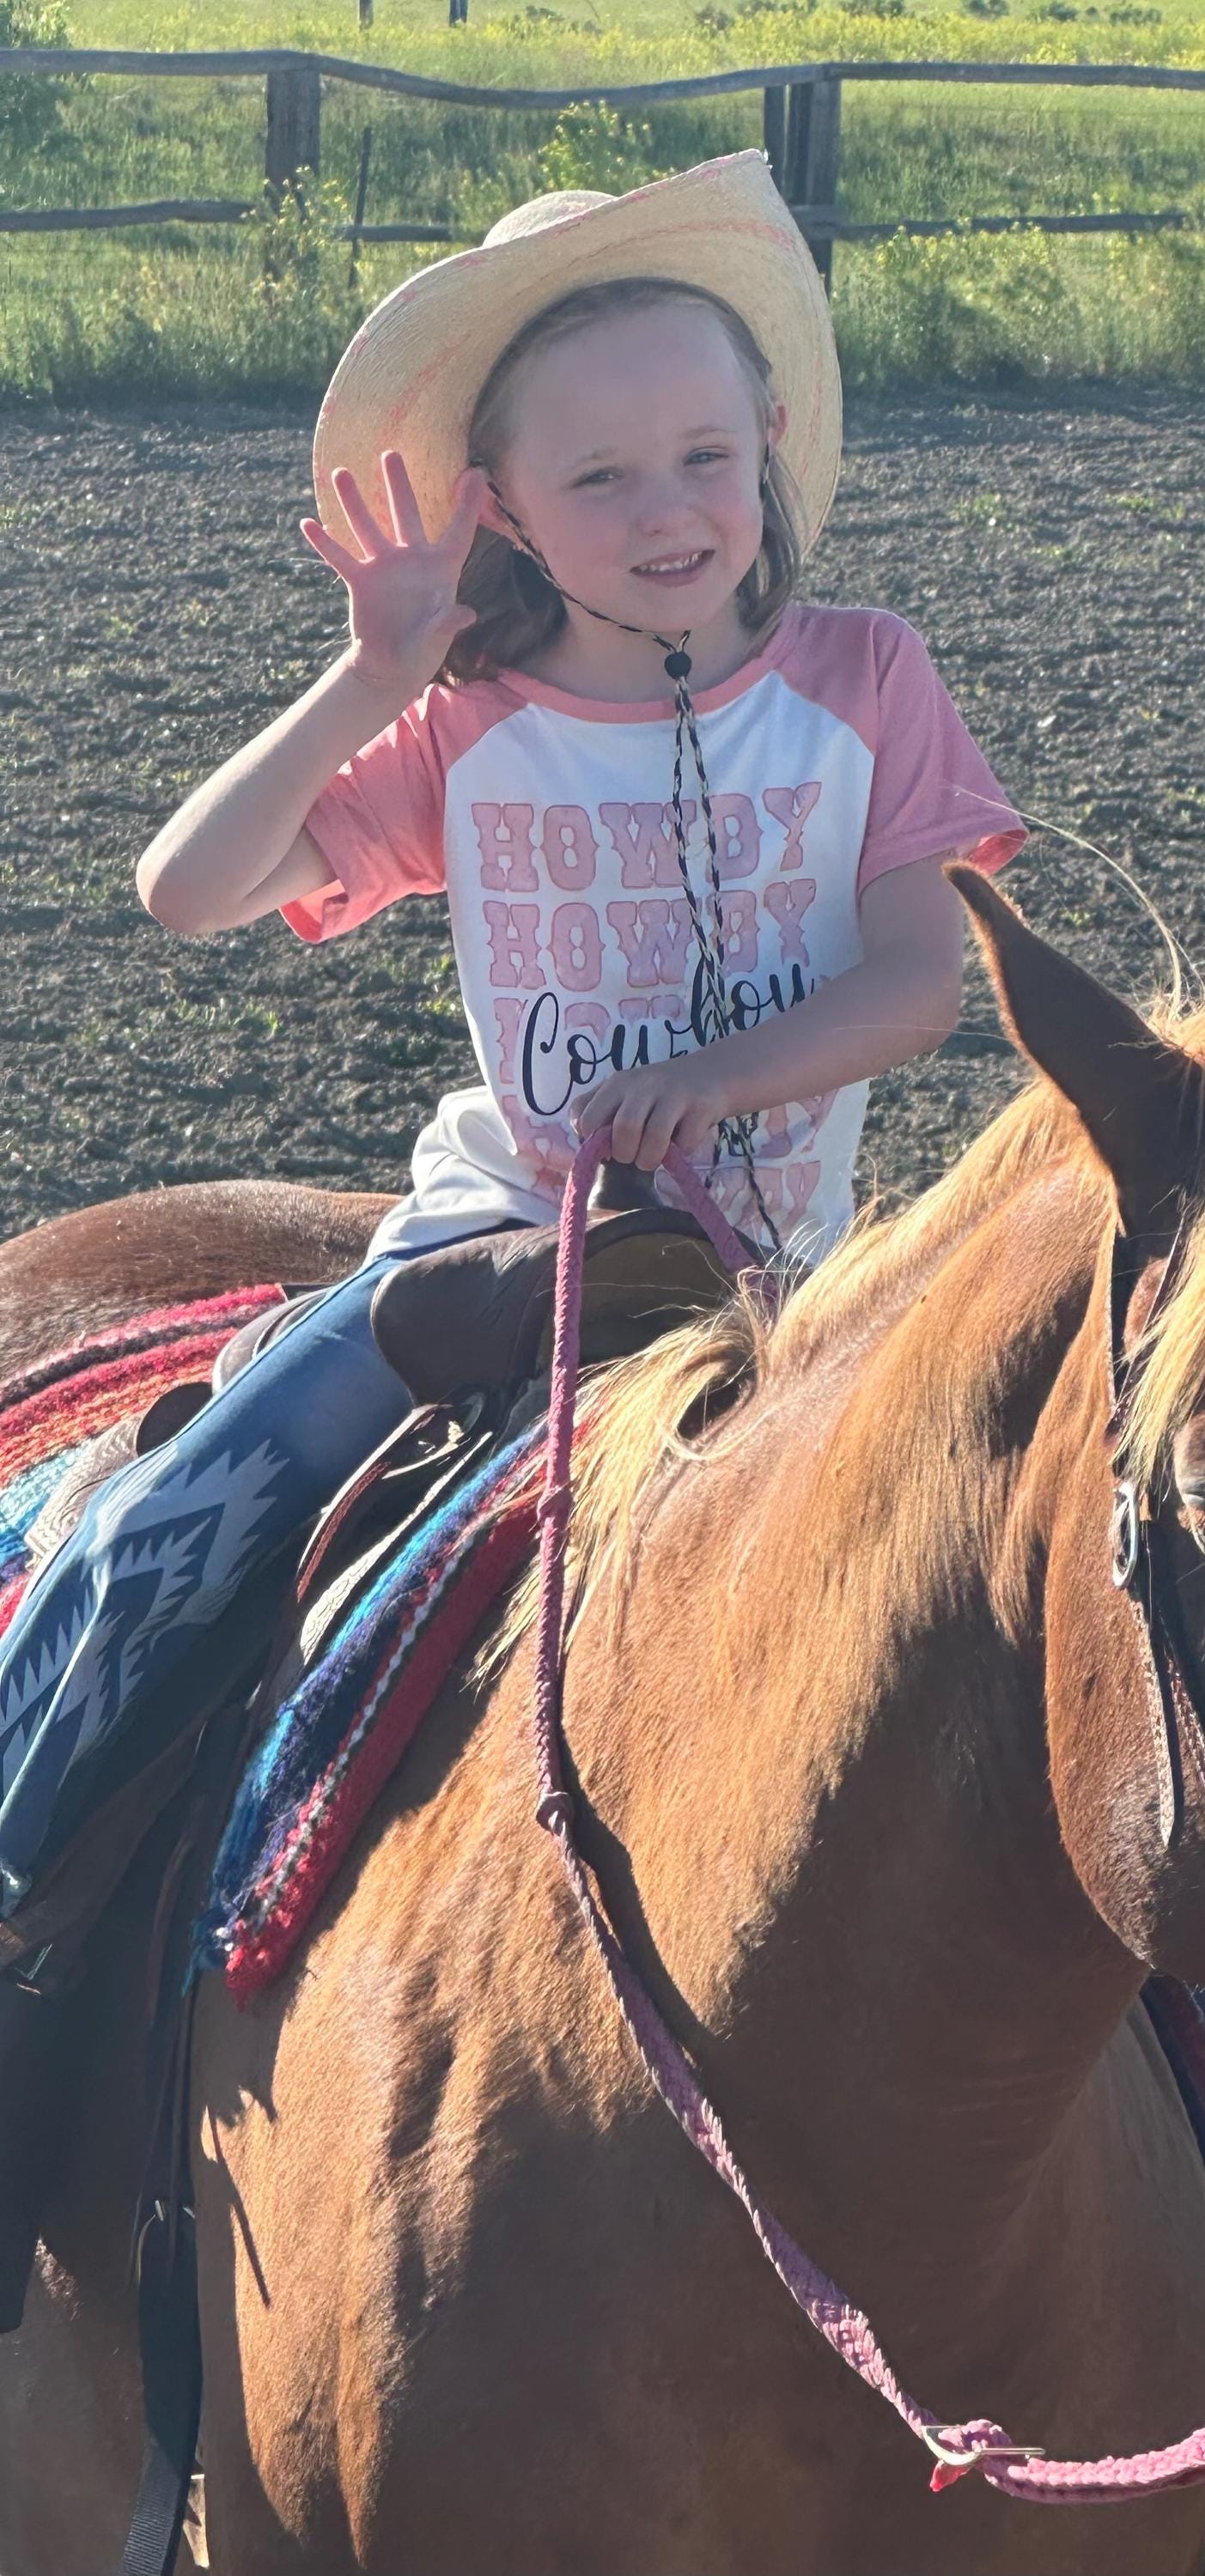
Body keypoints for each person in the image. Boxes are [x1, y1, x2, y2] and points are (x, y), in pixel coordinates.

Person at [0, 154, 1025, 2322]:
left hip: (780, 1293)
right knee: (174, 1523)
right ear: (502, 513)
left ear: (769, 466)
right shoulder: (458, 720)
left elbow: (922, 980)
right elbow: (187, 891)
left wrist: (723, 1084)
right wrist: (369, 668)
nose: (670, 508)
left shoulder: (862, 680)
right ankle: (42, 1879)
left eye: (706, 458)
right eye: (603, 473)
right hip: (501, 1254)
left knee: (1034, 1627)